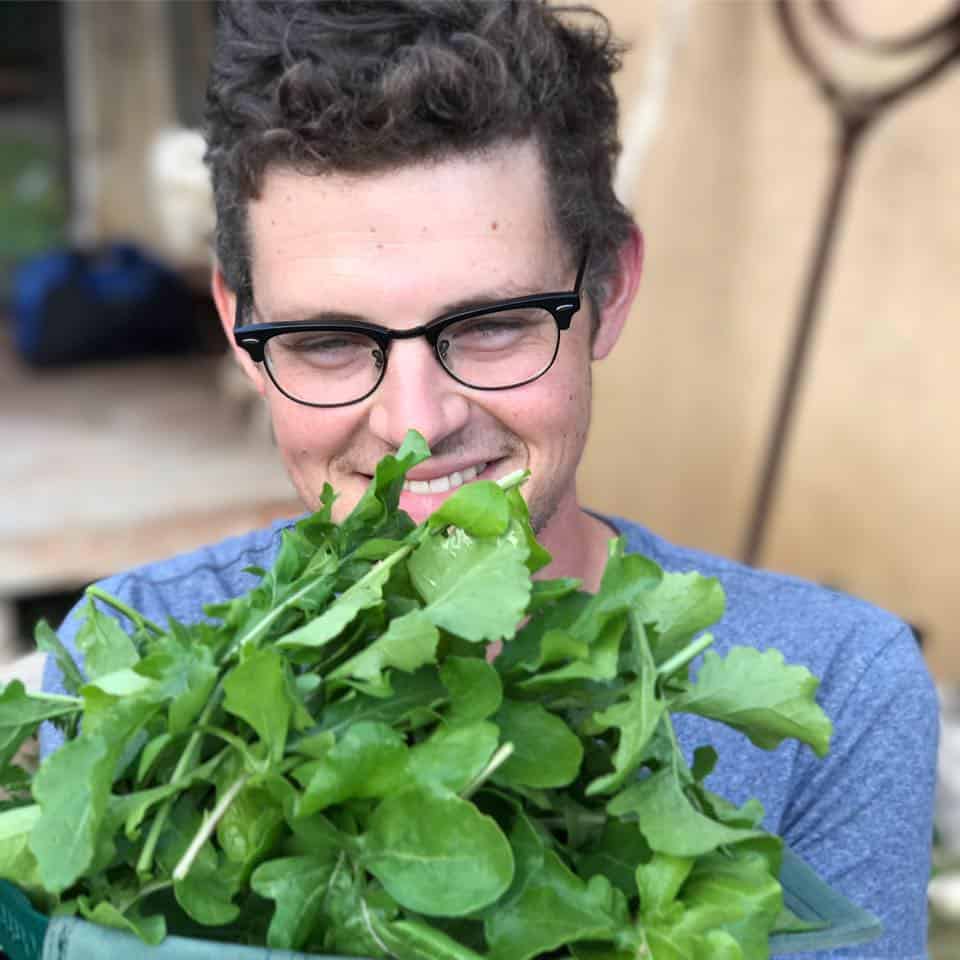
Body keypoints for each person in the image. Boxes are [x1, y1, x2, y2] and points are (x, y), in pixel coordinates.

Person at [42, 2, 937, 957]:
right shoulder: (126, 663)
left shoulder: (841, 688)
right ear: (238, 326)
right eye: (330, 342)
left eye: (491, 325)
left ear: (610, 291)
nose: (416, 426)